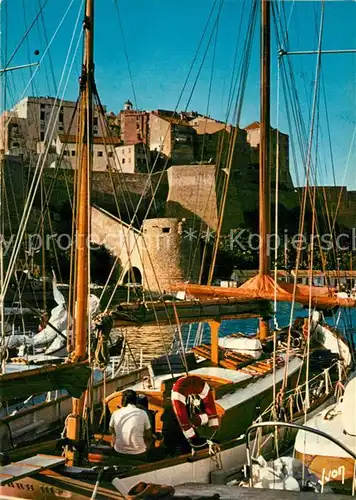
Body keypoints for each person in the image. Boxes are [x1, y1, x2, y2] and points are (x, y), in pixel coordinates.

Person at [109, 389, 152, 460]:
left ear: (123, 400)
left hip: (119, 451)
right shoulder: (143, 413)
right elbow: (148, 435)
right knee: (151, 439)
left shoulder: (115, 413)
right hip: (139, 453)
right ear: (136, 400)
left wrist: (114, 436)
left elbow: (111, 429)